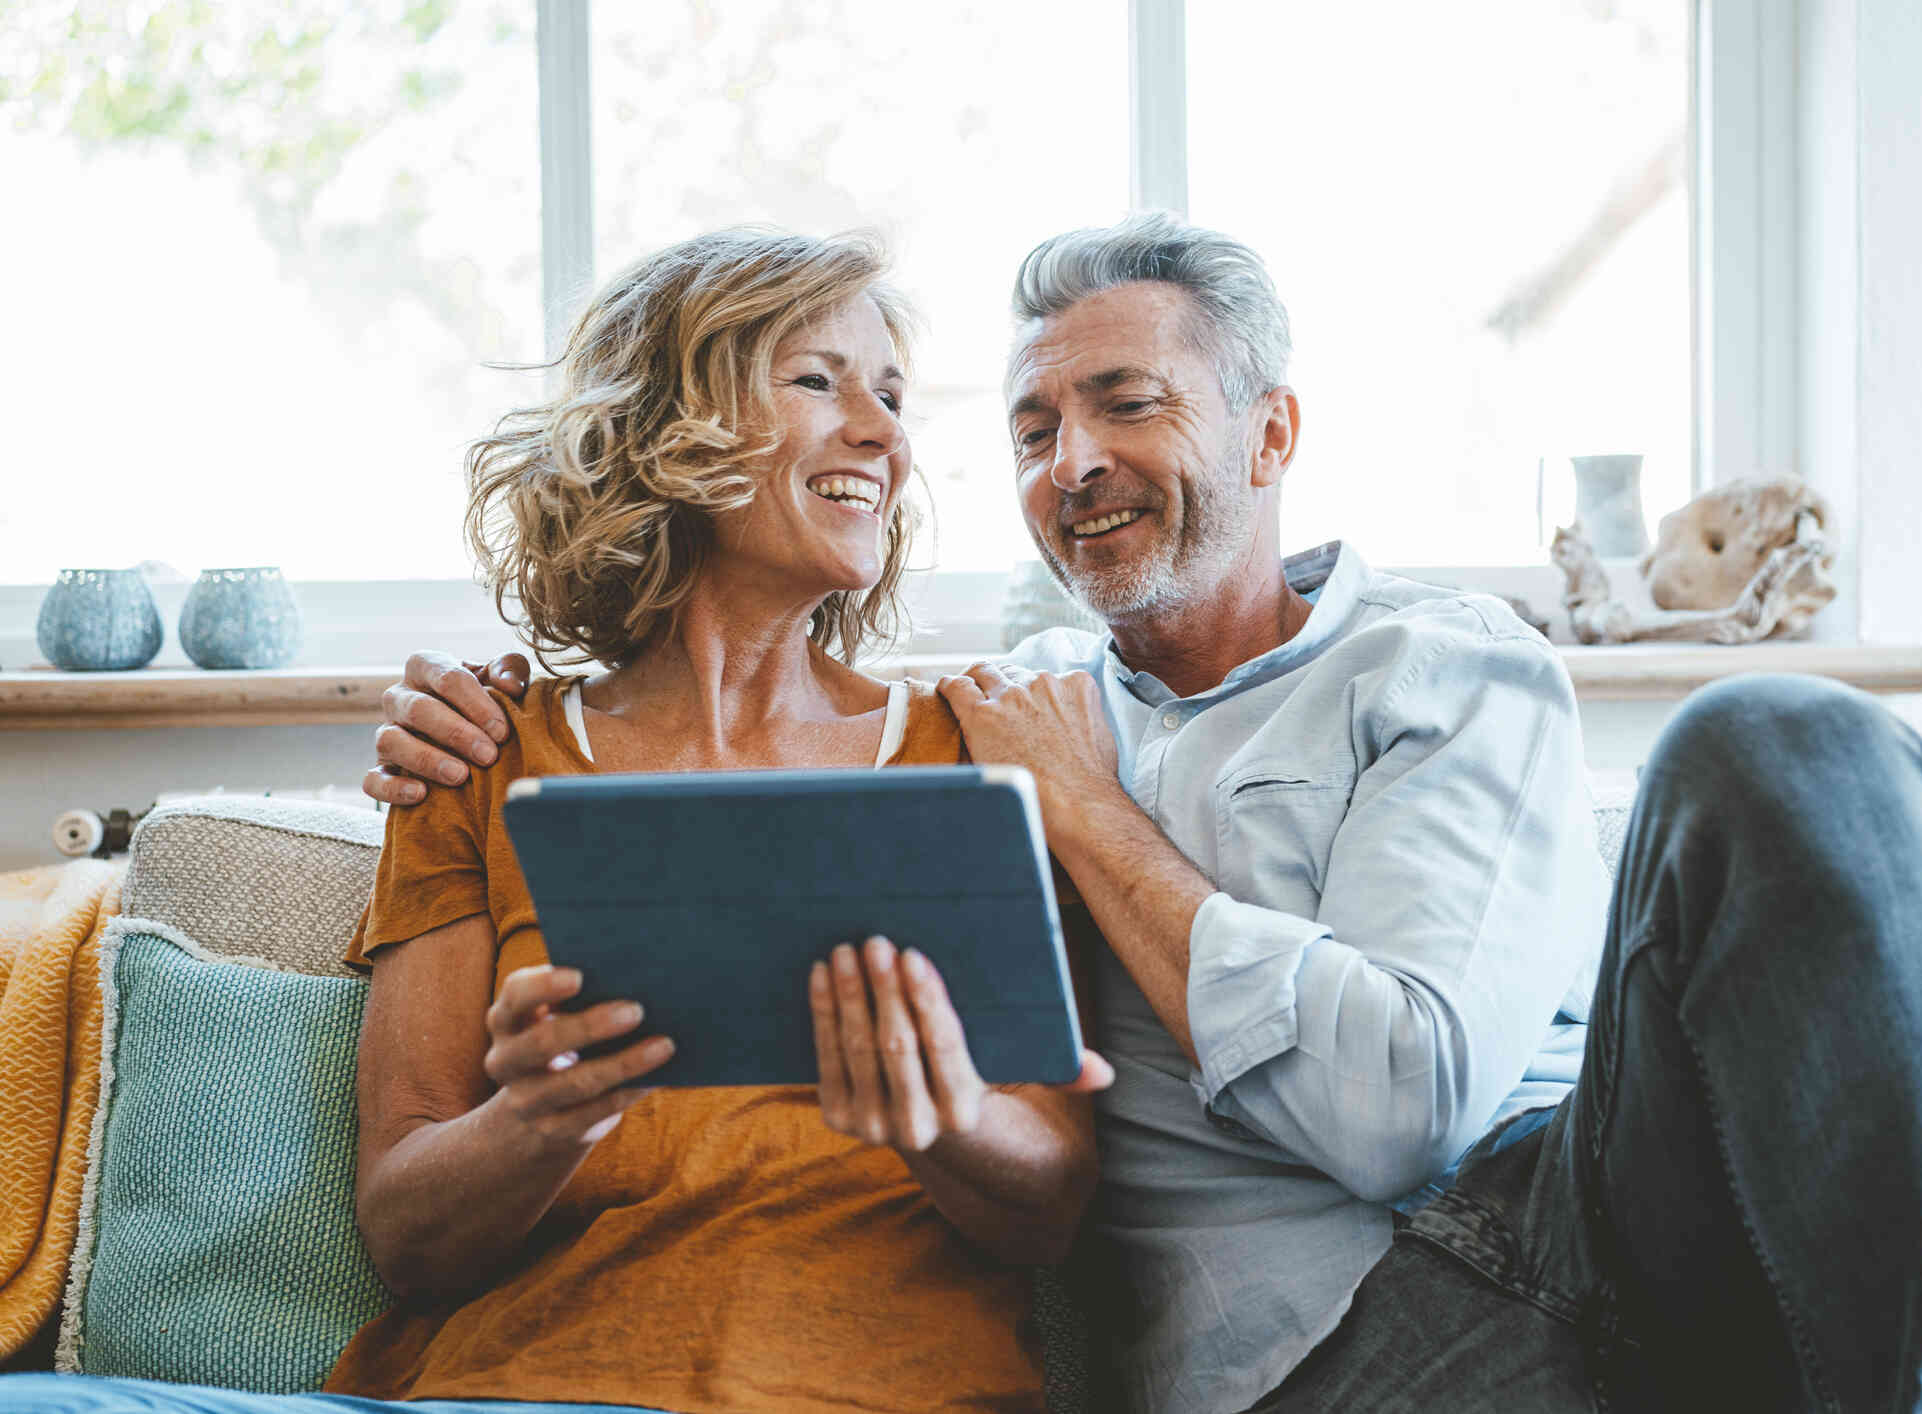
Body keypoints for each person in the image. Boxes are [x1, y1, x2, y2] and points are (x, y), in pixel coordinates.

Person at [370, 214, 1922, 1412]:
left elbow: (1406, 1110)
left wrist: (1091, 825)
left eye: (1129, 403)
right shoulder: (995, 719)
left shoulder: (1402, 674)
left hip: (1576, 1216)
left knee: (1781, 735)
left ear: (1273, 428)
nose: (1067, 459)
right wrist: (485, 747)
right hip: (1322, 1362)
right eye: (1031, 428)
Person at [4, 229, 1108, 1414]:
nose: (885, 434)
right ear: (663, 431)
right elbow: (407, 1236)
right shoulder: (480, 757)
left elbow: (1050, 1203)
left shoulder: (968, 751)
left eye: (890, 395)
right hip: (509, 1388)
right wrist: (541, 1118)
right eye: (814, 379)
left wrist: (944, 1117)